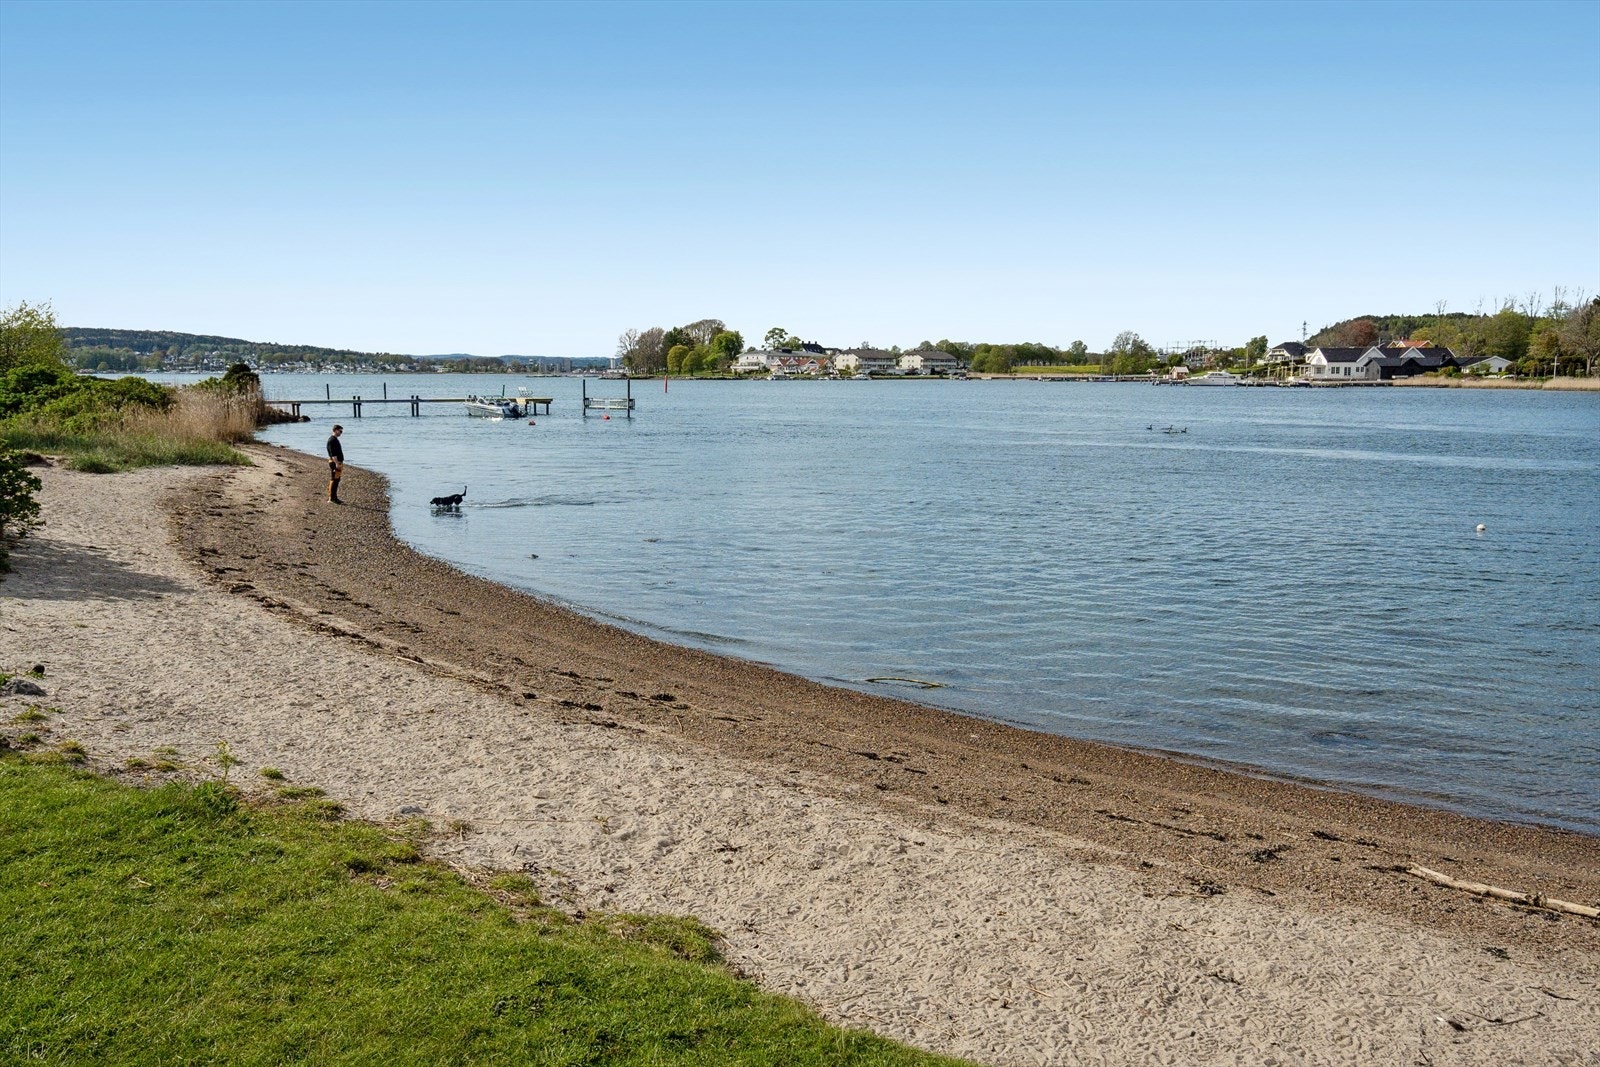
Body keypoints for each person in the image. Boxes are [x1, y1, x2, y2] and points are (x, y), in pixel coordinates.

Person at [326, 424, 345, 504]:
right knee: (334, 479)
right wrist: (337, 463)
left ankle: (335, 497)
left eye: (341, 431)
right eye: (340, 431)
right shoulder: (332, 440)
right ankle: (331, 498)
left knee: (337, 480)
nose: (341, 433)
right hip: (334, 462)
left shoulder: (335, 439)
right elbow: (333, 454)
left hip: (337, 462)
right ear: (335, 430)